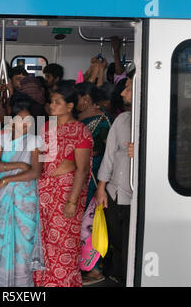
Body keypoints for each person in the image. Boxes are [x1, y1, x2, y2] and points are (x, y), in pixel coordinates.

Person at [33, 81, 93, 287]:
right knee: (43, 240)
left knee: (64, 242)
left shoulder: (80, 131)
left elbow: (83, 169)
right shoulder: (47, 126)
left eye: (57, 102)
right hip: (44, 192)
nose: (52, 105)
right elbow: (42, 160)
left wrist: (72, 201)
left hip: (66, 194)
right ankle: (43, 281)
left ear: (69, 106)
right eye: (51, 101)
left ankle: (63, 282)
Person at [0, 95, 44, 287]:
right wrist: (19, 164)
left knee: (23, 246)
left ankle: (22, 286)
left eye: (29, 120)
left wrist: (9, 178)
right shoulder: (1, 138)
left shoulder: (36, 141)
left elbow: (35, 172)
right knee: (3, 242)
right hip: (5, 198)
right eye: (21, 120)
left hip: (25, 200)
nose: (25, 124)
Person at [94, 70, 135, 286]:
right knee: (116, 240)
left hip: (134, 195)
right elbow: (109, 156)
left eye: (128, 88)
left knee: (131, 243)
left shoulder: (155, 122)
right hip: (114, 191)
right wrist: (101, 188)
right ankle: (118, 275)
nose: (123, 93)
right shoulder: (121, 119)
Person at [75, 81, 112, 285]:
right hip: (80, 176)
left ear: (87, 99)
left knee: (90, 223)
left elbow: (111, 151)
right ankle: (83, 265)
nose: (75, 103)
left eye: (77, 99)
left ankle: (95, 269)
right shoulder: (80, 118)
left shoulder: (103, 121)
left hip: (94, 176)